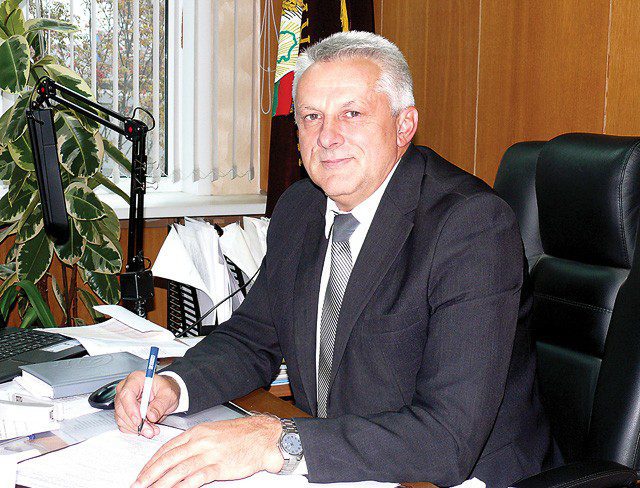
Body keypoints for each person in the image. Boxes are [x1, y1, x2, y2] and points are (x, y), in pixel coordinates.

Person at [116, 31, 560, 488]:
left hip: (457, 477)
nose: (327, 137)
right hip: (347, 466)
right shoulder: (300, 208)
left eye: (352, 113)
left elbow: (448, 438)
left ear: (404, 125)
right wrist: (175, 385)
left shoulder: (470, 226)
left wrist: (282, 441)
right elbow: (253, 338)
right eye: (312, 117)